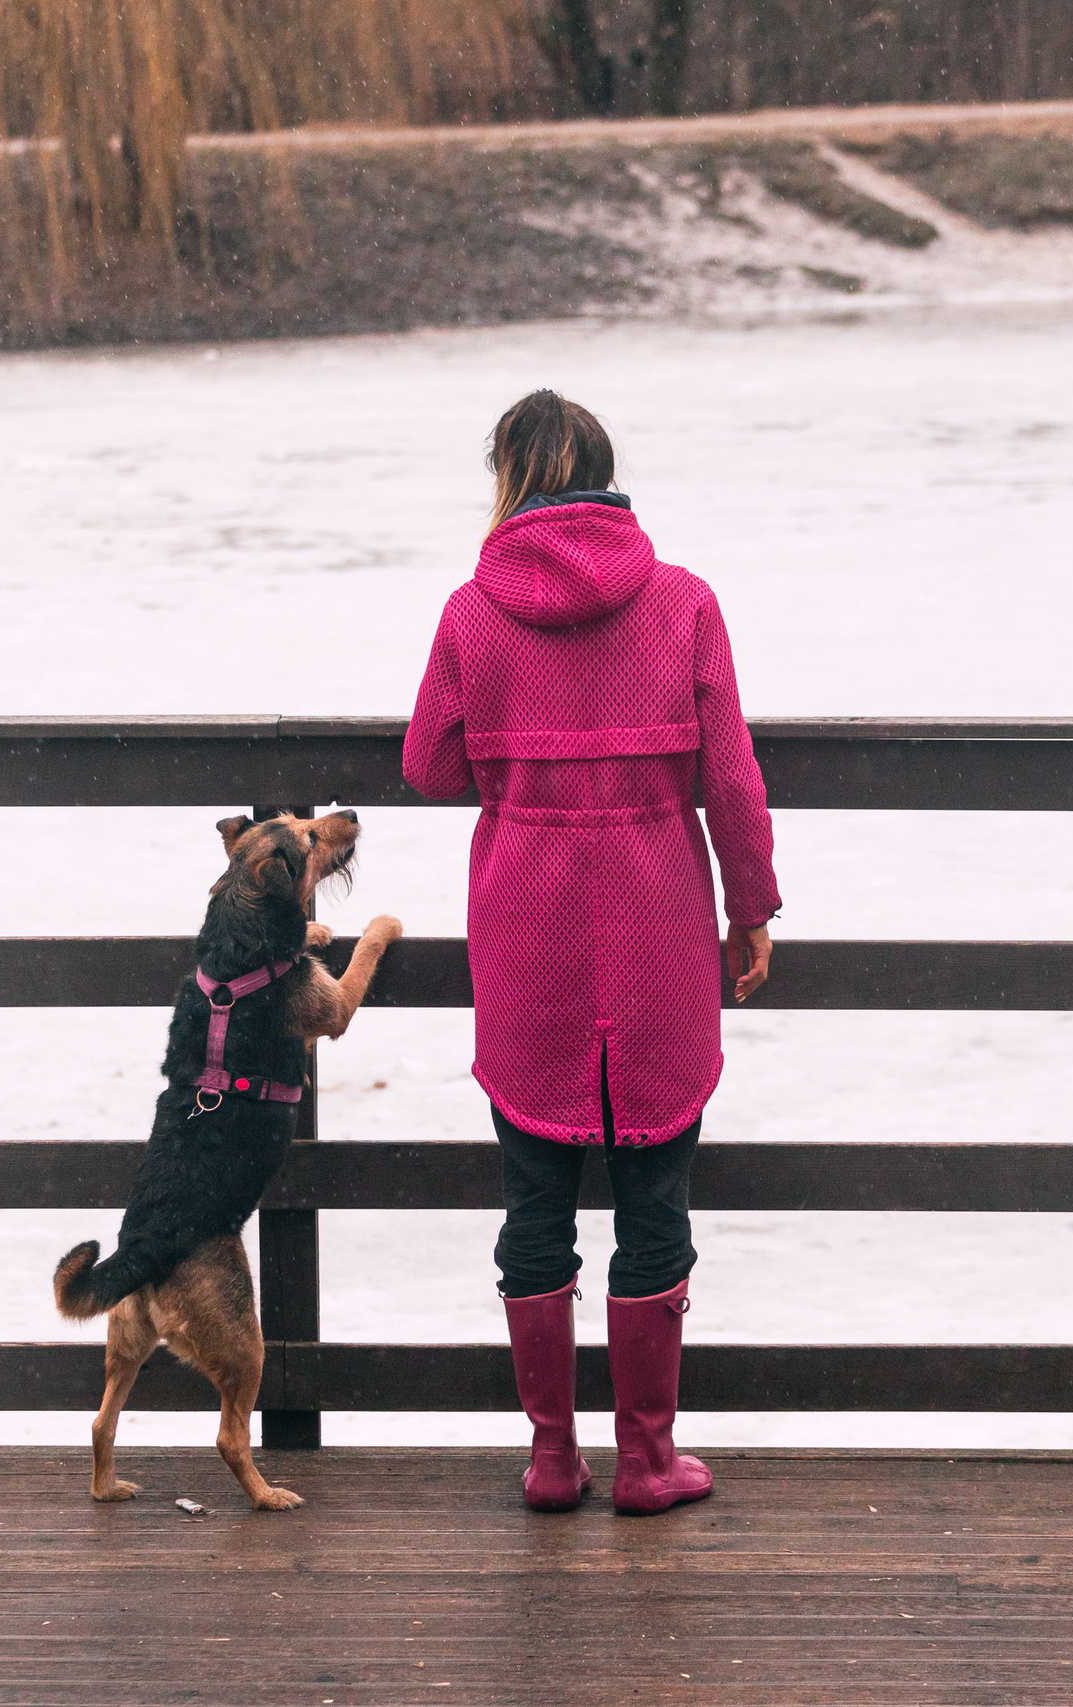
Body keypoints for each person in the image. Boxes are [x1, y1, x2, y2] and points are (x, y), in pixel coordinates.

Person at [403, 389, 780, 1516]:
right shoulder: (683, 604)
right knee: (655, 1195)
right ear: (607, 477)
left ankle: (553, 1457)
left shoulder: (473, 614)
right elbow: (732, 783)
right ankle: (650, 1462)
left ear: (510, 483)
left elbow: (428, 766)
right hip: (659, 925)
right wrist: (750, 907)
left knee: (535, 1198)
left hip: (528, 939)